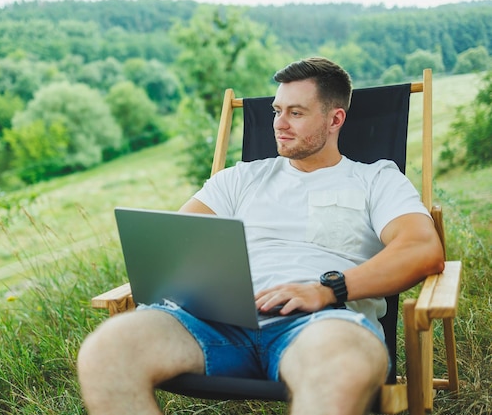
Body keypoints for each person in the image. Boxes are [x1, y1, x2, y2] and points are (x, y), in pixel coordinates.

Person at [77, 57, 445, 415]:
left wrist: (327, 289)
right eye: (276, 110)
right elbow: (175, 244)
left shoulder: (375, 180)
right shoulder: (239, 179)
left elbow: (422, 249)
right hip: (217, 322)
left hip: (321, 323)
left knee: (339, 367)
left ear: (335, 119)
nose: (280, 124)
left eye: (296, 113)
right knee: (106, 351)